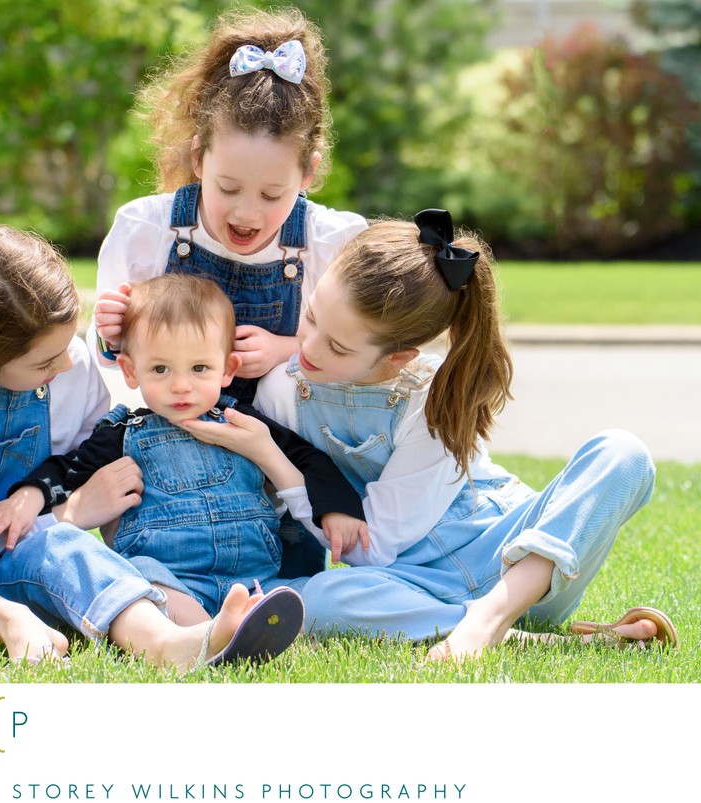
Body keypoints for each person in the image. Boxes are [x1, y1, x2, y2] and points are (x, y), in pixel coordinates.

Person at [0, 225, 303, 672]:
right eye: (44, 361)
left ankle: (172, 643)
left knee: (65, 547)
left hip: (11, 573)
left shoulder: (73, 366)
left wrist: (53, 511)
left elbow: (82, 463)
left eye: (66, 345)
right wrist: (69, 513)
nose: (66, 365)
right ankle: (5, 617)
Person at [190, 209, 678, 661]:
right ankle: (522, 636)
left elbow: (374, 543)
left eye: (338, 346)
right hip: (411, 587)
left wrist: (283, 470)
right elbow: (360, 557)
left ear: (398, 357)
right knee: (312, 597)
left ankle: (489, 619)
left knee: (624, 453)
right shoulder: (284, 391)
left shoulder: (430, 396)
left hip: (515, 562)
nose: (309, 348)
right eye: (312, 317)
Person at [0, 274, 365, 624]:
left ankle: (247, 621)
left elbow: (308, 457)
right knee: (141, 581)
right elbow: (69, 469)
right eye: (160, 370)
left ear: (227, 369)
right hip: (172, 580)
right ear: (131, 370)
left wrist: (337, 508)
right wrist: (31, 494)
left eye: (199, 368)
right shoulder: (122, 433)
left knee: (316, 595)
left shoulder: (246, 423)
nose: (181, 386)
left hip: (255, 577)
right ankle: (209, 633)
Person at [92, 4, 368, 408]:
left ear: (308, 174)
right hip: (170, 435)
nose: (246, 213)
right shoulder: (147, 230)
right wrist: (110, 334)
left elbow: (361, 359)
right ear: (198, 157)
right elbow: (114, 370)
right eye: (228, 188)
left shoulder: (331, 244)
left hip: (281, 446)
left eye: (272, 195)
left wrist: (286, 349)